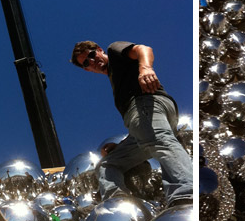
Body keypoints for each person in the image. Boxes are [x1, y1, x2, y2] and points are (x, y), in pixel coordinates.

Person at [71, 40, 192, 206]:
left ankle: (187, 194)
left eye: (92, 55)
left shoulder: (114, 51)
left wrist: (145, 68)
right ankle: (121, 206)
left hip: (146, 104)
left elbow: (143, 49)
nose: (92, 61)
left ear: (99, 50)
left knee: (160, 142)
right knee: (107, 165)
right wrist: (122, 145)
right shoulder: (116, 76)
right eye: (86, 62)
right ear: (87, 69)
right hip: (143, 119)